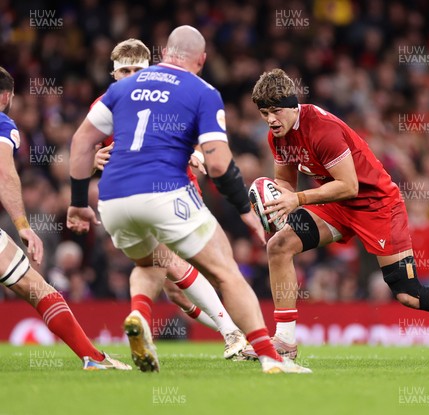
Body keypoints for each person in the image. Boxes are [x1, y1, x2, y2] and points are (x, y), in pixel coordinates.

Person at [67, 26, 310, 374]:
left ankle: (139, 314)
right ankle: (268, 358)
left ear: (163, 53)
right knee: (226, 271)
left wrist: (78, 202)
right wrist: (244, 210)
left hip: (114, 197)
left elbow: (79, 142)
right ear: (202, 60)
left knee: (149, 265)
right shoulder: (202, 90)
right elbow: (219, 164)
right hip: (166, 192)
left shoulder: (120, 90)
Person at [244, 68, 429, 364]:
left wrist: (298, 199)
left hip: (377, 205)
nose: (270, 119)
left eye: (276, 111)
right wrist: (274, 202)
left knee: (409, 294)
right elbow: (286, 186)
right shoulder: (278, 136)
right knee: (279, 246)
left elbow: (349, 185)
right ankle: (285, 341)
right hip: (337, 205)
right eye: (264, 112)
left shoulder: (321, 129)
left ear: (293, 105)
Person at [92, 38, 247, 360]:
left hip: (173, 193)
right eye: (125, 70)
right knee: (175, 288)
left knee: (170, 265)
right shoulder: (106, 104)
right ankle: (234, 333)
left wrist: (192, 152)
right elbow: (84, 149)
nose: (131, 74)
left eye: (137, 69)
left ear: (149, 71)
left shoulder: (164, 94)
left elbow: (183, 129)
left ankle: (234, 334)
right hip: (132, 196)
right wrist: (95, 159)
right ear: (113, 73)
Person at [0, 66, 130, 371]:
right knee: (37, 288)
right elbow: (4, 174)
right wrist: (24, 227)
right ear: (6, 96)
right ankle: (93, 358)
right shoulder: (2, 123)